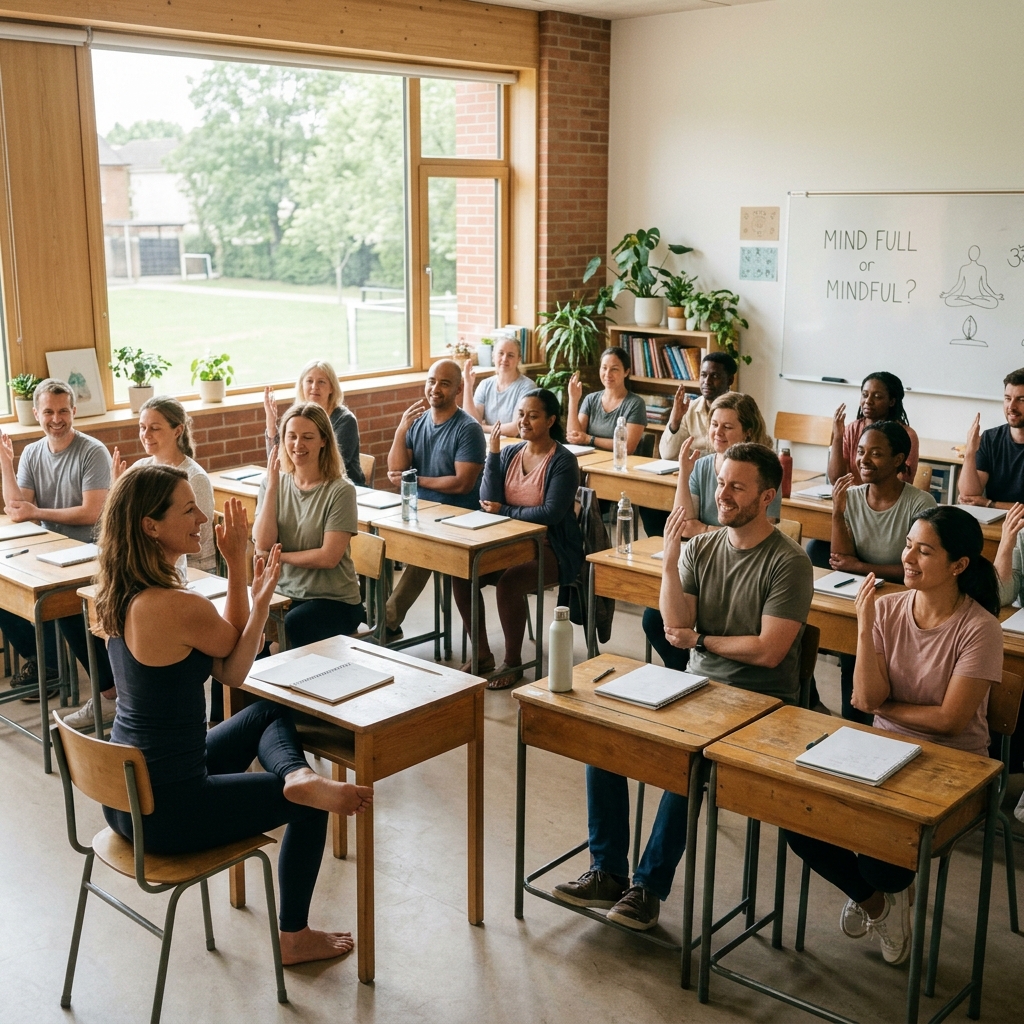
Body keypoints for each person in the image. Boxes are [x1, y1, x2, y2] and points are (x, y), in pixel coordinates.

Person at [96, 465, 373, 966]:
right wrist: (243, 574)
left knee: (268, 711)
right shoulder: (173, 604)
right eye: (188, 509)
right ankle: (294, 937)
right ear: (149, 525)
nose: (203, 515)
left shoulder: (119, 591)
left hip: (127, 798)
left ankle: (297, 774)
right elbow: (235, 667)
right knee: (311, 810)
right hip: (170, 809)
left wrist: (253, 591)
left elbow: (230, 667)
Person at [554, 444, 812, 930]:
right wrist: (671, 558)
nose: (724, 494)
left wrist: (702, 640)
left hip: (762, 703)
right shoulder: (702, 547)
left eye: (738, 486)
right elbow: (675, 626)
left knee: (686, 762)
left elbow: (768, 651)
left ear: (768, 496)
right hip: (700, 686)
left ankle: (648, 890)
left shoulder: (789, 561)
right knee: (604, 737)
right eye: (721, 483)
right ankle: (608, 871)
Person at [786, 506, 1003, 966]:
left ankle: (879, 894)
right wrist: (865, 626)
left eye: (924, 551)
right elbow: (865, 696)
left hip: (952, 765)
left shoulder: (980, 628)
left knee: (880, 861)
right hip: (882, 751)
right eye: (908, 545)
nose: (908, 557)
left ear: (959, 565)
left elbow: (951, 722)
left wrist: (885, 708)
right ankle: (880, 905)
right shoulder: (885, 608)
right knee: (798, 816)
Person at [0, 379, 115, 719]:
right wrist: (6, 463)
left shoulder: (92, 451)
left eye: (63, 410)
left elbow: (91, 512)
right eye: (48, 411)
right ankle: (45, 663)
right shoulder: (34, 452)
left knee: (66, 606)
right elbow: (18, 509)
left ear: (74, 412)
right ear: (36, 414)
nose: (56, 418)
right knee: (5, 590)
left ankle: (108, 694)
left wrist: (35, 512)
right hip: (47, 552)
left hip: (88, 552)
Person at [452, 389, 583, 689]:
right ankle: (482, 653)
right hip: (509, 544)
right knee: (461, 572)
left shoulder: (562, 461)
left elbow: (550, 513)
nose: (524, 421)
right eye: (521, 414)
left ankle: (514, 662)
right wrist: (494, 453)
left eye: (533, 416)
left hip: (553, 549)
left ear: (551, 420)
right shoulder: (511, 453)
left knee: (510, 583)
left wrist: (505, 510)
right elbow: (487, 500)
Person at [641, 393, 780, 671]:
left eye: (727, 427)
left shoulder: (762, 471)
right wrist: (684, 472)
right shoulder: (701, 464)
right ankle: (687, 671)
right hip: (702, 563)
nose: (718, 432)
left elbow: (760, 527)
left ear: (748, 431)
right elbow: (683, 524)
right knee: (653, 619)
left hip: (743, 564)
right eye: (714, 424)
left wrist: (703, 529)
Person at [829, 420, 936, 722]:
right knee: (851, 640)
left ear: (898, 460)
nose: (863, 460)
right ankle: (856, 718)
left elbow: (916, 569)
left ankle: (880, 718)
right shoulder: (851, 496)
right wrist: (837, 513)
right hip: (863, 593)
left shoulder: (920, 503)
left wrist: (862, 567)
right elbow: (840, 558)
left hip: (905, 597)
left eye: (875, 453)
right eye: (861, 451)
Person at [384, 359, 486, 640]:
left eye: (444, 383)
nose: (435, 388)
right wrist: (400, 430)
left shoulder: (468, 429)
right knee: (375, 541)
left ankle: (388, 621)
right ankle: (372, 615)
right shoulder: (417, 422)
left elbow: (462, 483)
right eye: (431, 381)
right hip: (420, 510)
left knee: (425, 549)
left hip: (457, 516)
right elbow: (395, 469)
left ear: (458, 389)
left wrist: (413, 480)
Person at [253, 403, 364, 648]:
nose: (297, 444)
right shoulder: (273, 484)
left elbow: (328, 557)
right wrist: (272, 486)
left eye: (308, 437)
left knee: (292, 627)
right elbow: (262, 543)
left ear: (324, 440)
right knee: (242, 643)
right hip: (284, 594)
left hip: (334, 600)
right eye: (291, 436)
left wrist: (279, 558)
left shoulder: (341, 490)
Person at [127, 396, 216, 571]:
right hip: (153, 563)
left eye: (155, 428)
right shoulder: (139, 468)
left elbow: (199, 535)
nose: (146, 435)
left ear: (177, 431)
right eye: (142, 428)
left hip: (194, 568)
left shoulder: (195, 477)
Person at [264, 359, 365, 486]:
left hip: (343, 490)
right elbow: (278, 463)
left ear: (331, 388)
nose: (314, 387)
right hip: (306, 485)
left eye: (321, 382)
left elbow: (329, 465)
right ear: (302, 385)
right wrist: (271, 425)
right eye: (309, 381)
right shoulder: (299, 417)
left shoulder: (345, 420)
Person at [828, 371, 920, 486]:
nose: (868, 401)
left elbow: (902, 483)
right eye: (865, 395)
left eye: (877, 397)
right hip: (855, 500)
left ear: (891, 401)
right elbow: (836, 480)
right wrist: (838, 437)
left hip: (888, 502)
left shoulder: (906, 434)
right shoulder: (852, 429)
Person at [959, 367, 1024, 508]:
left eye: (1021, 400)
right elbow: (968, 495)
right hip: (995, 522)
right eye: (1007, 398)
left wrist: (990, 504)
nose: (1011, 406)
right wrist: (970, 452)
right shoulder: (990, 438)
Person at [565, 346, 647, 455]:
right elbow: (574, 437)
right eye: (604, 368)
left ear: (626, 372)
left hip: (619, 466)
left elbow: (627, 446)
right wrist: (573, 399)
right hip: (589, 463)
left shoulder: (636, 403)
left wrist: (590, 439)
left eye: (614, 369)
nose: (608, 374)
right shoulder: (590, 399)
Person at [658, 351, 737, 460]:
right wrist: (675, 420)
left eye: (715, 376)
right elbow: (667, 455)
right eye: (703, 375)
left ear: (730, 380)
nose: (707, 381)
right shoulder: (689, 408)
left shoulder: (740, 408)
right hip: (695, 472)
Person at [462, 336, 537, 437]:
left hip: (516, 446)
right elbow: (471, 421)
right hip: (490, 445)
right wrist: (468, 385)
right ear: (493, 356)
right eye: (501, 353)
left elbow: (515, 429)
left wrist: (481, 427)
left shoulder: (527, 387)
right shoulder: (485, 385)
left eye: (510, 355)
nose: (504, 359)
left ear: (518, 359)